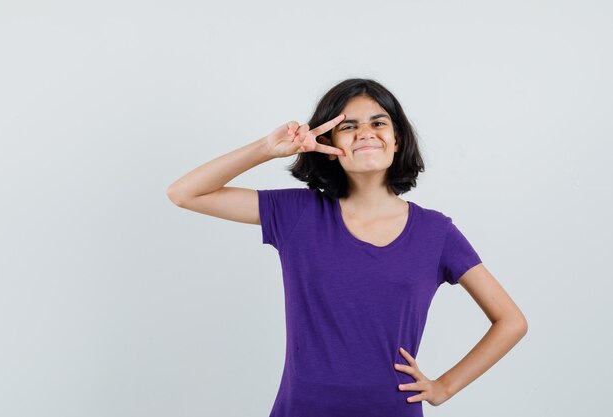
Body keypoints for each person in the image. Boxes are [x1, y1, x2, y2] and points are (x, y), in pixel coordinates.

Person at [166, 78, 528, 417]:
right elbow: (184, 193)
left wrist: (443, 387)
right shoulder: (299, 214)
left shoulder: (436, 233)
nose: (365, 134)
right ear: (329, 146)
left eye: (378, 123)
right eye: (349, 126)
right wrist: (267, 149)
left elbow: (511, 321)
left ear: (397, 139)